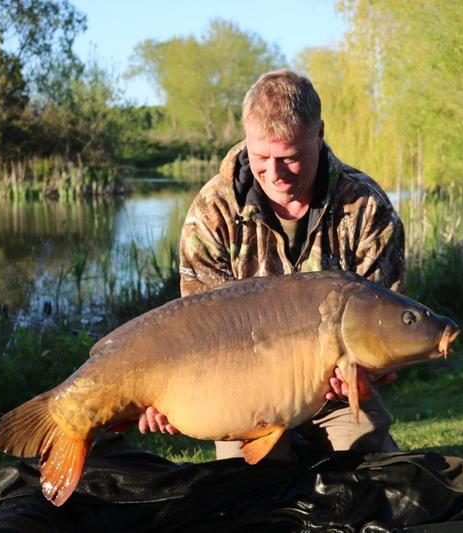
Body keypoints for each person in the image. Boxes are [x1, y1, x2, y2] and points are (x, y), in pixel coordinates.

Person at [138, 69, 406, 460]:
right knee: (255, 493)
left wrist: (368, 375)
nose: (275, 175)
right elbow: (195, 333)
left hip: (335, 394)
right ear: (246, 139)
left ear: (320, 135)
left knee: (370, 471)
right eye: (261, 157)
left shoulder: (366, 207)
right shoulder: (213, 211)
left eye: (291, 158)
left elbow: (386, 330)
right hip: (243, 393)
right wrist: (165, 396)